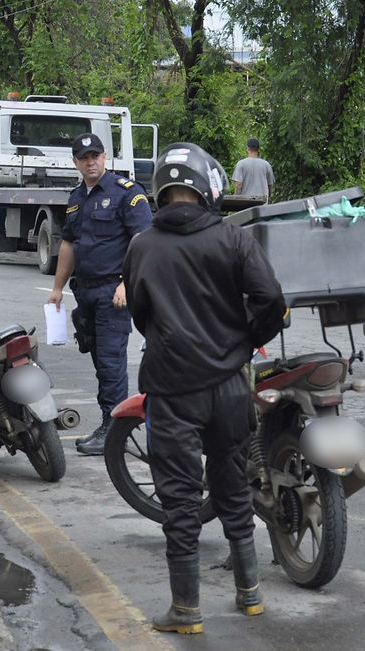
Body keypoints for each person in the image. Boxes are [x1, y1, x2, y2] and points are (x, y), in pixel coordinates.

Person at [123, 142, 287, 634]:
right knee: (233, 486)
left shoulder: (142, 246)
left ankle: (187, 610)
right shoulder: (233, 238)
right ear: (208, 189)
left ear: (162, 194)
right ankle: (250, 594)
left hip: (173, 390)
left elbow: (139, 314)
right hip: (231, 385)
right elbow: (271, 300)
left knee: (180, 501)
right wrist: (244, 341)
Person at [46, 133, 153, 456]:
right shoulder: (77, 198)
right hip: (86, 292)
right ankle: (111, 424)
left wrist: (126, 282)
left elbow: (143, 241)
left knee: (110, 363)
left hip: (113, 291)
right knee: (97, 359)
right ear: (75, 162)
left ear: (105, 157)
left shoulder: (126, 194)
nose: (91, 161)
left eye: (96, 155)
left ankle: (114, 430)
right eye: (84, 157)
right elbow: (68, 244)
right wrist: (57, 288)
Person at [231, 138, 275, 203]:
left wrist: (235, 198)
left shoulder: (241, 164)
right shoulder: (266, 164)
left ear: (247, 148)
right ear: (259, 149)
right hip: (262, 203)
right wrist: (269, 198)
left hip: (245, 204)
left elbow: (238, 184)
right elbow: (270, 185)